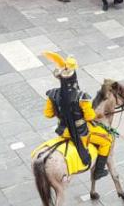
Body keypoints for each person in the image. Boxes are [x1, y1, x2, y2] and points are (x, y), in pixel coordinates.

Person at [41, 52, 111, 180]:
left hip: (63, 130)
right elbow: (89, 117)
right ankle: (99, 171)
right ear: (74, 78)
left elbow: (48, 114)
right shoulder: (82, 97)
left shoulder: (52, 94)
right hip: (80, 132)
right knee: (107, 140)